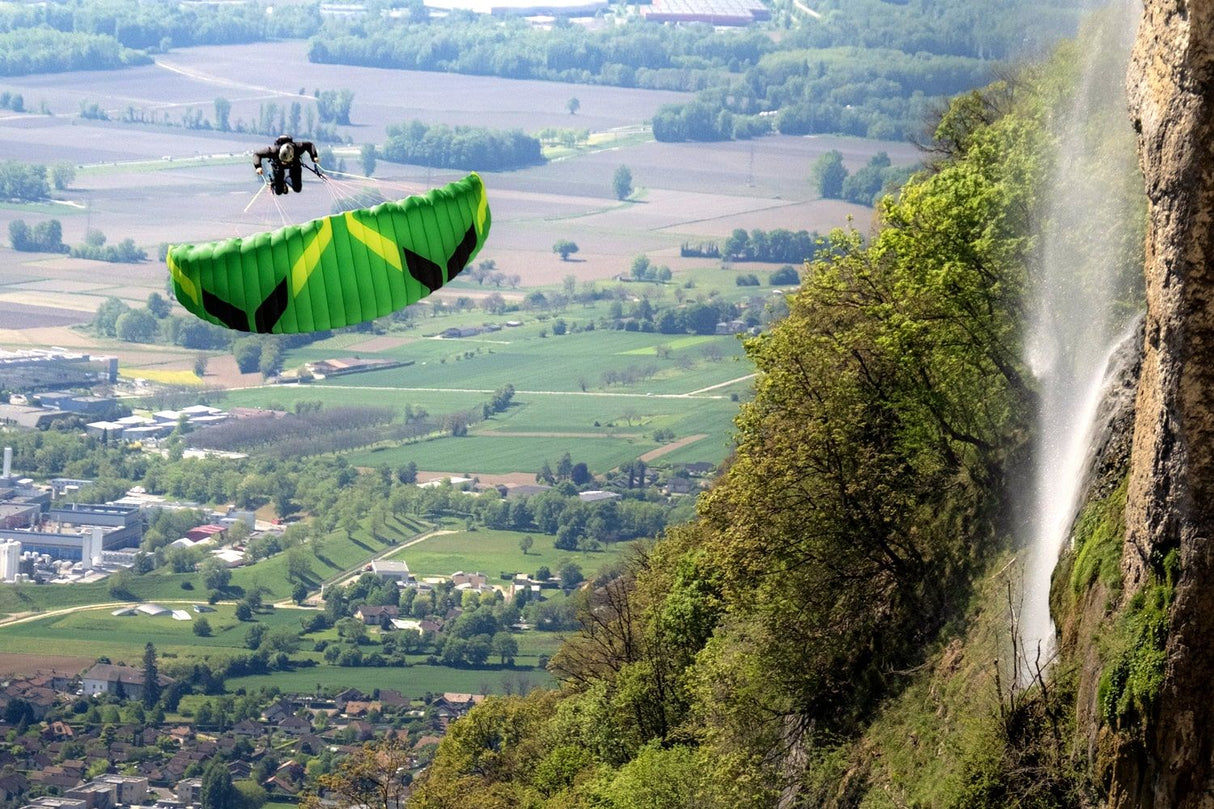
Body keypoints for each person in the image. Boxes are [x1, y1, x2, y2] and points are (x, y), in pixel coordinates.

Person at [253, 134, 321, 195]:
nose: (285, 163)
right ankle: (281, 183)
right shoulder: (273, 151)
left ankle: (286, 178)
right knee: (279, 191)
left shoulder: (297, 148)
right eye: (283, 160)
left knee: (297, 188)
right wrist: (258, 166)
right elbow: (257, 154)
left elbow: (310, 145)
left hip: (294, 164)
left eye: (286, 161)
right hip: (278, 165)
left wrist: (314, 156)